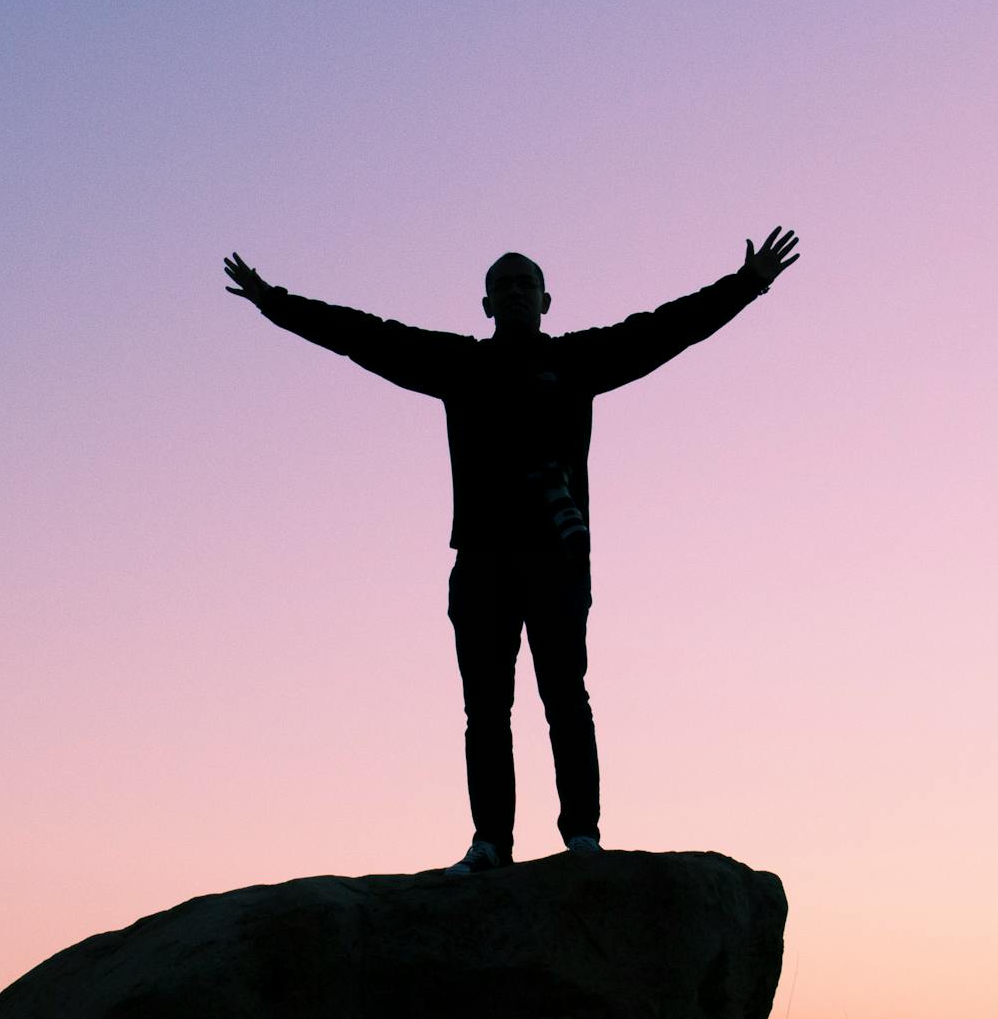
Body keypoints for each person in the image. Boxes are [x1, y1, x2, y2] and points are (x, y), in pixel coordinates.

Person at [222, 230, 800, 872]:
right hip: (483, 563)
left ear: (547, 300)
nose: (517, 292)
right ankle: (491, 841)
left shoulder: (580, 361)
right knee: (486, 709)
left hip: (557, 557)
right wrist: (273, 302)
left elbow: (663, 331)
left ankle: (582, 834)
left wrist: (746, 285)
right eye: (505, 286)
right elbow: (365, 336)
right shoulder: (461, 366)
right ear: (486, 305)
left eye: (527, 283)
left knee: (566, 696)